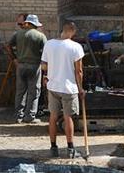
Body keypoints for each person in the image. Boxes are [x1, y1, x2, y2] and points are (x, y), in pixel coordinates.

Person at [41, 21, 85, 159]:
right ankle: (71, 149)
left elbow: (44, 65)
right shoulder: (75, 47)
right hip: (69, 87)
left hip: (53, 86)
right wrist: (81, 88)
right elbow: (79, 71)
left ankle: (53, 148)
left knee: (53, 117)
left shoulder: (49, 44)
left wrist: (46, 77)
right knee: (68, 117)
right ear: (72, 32)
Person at [7, 14, 47, 124]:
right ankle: (29, 116)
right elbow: (46, 52)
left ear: (27, 23)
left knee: (20, 92)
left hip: (20, 65)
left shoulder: (18, 34)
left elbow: (8, 46)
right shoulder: (40, 36)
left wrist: (14, 58)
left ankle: (18, 116)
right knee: (34, 92)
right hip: (35, 65)